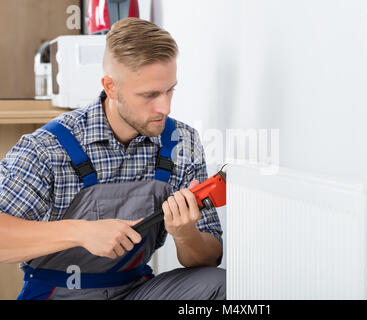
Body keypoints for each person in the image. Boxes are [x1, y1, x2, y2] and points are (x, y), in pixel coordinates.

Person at [0, 17, 225, 300]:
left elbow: (207, 258)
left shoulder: (182, 142)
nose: (164, 107)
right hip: (58, 292)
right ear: (111, 87)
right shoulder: (48, 147)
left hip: (135, 290)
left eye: (170, 90)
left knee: (217, 284)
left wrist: (185, 234)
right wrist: (80, 232)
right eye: (149, 95)